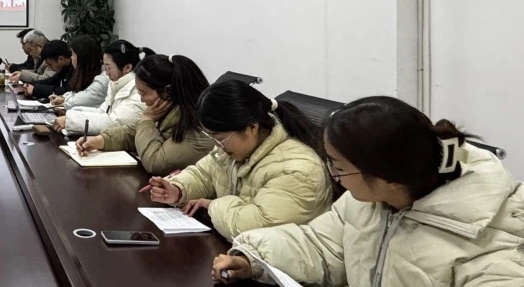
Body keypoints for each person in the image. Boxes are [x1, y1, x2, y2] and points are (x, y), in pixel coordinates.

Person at [214, 97, 524, 286]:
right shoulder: (369, 202)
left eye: (338, 167)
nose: (335, 178)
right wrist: (253, 259)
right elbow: (321, 246)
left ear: (388, 176)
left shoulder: (491, 242)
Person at [148, 80, 332, 241]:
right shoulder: (236, 147)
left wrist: (212, 206)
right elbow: (204, 173)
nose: (217, 146)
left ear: (251, 128)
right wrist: (178, 190)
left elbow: (254, 228)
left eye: (220, 138)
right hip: (242, 253)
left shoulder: (297, 170)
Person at [75, 54, 214, 175]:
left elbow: (155, 162)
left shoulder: (197, 127)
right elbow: (136, 132)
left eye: (144, 93)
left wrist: (147, 120)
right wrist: (101, 140)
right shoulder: (167, 110)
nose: (142, 100)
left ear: (167, 91)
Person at [54, 40, 150, 136]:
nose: (106, 73)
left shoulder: (138, 91)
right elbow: (102, 111)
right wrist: (71, 114)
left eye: (108, 68)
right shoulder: (116, 85)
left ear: (127, 68)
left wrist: (70, 120)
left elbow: (113, 124)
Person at [47, 35, 109, 112]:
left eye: (73, 54)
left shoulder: (102, 80)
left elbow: (76, 102)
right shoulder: (89, 73)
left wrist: (64, 100)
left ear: (82, 58)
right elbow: (76, 93)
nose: (71, 58)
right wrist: (63, 98)